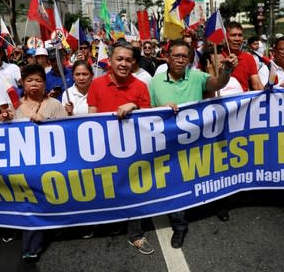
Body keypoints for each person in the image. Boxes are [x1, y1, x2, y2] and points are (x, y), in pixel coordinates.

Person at [148, 39, 237, 248]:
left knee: (206, 175)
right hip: (169, 145)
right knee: (175, 185)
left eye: (184, 56)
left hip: (198, 142)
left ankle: (217, 205)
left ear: (190, 59)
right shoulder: (155, 82)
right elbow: (149, 111)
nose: (180, 60)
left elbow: (217, 83)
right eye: (176, 56)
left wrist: (226, 71)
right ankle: (179, 227)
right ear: (167, 57)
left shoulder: (197, 76)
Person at [87, 40, 154, 255]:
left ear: (133, 62)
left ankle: (135, 234)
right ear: (110, 61)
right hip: (105, 148)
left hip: (134, 150)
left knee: (135, 189)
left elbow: (149, 118)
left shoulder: (140, 86)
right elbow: (91, 117)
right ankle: (110, 221)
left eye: (128, 60)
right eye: (119, 59)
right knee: (108, 187)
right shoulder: (96, 85)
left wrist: (134, 105)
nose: (124, 63)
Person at [15, 64, 67, 260]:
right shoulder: (14, 106)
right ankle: (31, 247)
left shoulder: (55, 105)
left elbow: (66, 131)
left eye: (38, 80)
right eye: (29, 80)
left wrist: (46, 121)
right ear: (22, 83)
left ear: (45, 84)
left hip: (51, 164)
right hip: (25, 167)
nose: (34, 84)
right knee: (31, 204)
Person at [224, 22, 263, 91]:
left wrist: (274, 90)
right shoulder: (216, 57)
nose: (237, 39)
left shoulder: (249, 58)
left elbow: (257, 85)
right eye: (233, 35)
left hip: (244, 100)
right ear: (225, 37)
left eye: (240, 35)